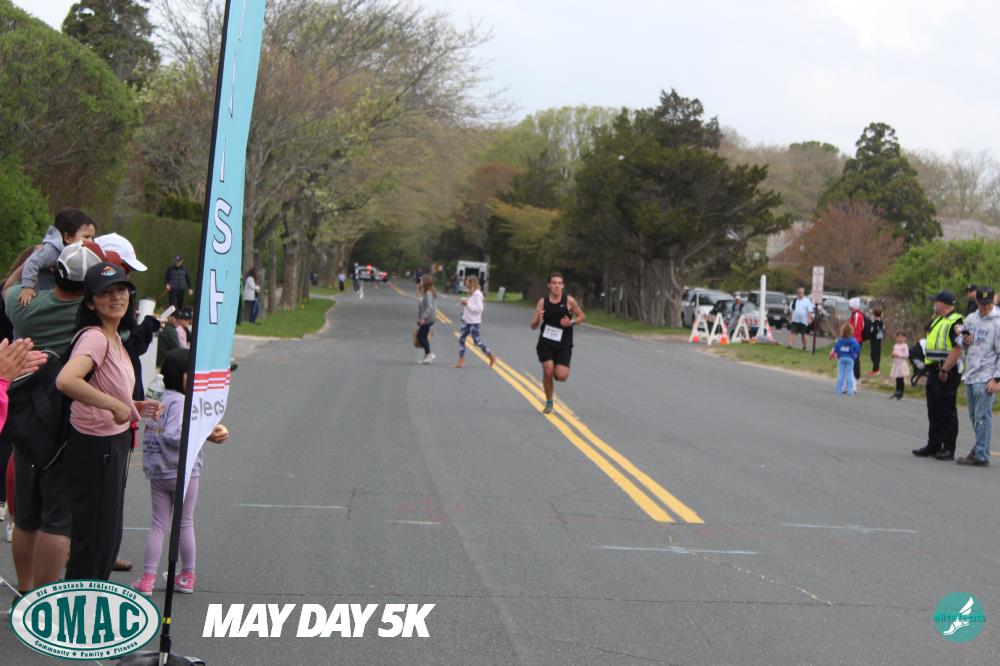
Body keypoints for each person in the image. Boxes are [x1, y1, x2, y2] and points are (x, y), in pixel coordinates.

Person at [4, 241, 105, 592]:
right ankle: (45, 598)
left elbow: (8, 287)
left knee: (26, 517)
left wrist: (33, 263)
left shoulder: (23, 306)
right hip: (67, 420)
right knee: (58, 519)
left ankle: (25, 589)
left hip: (25, 417)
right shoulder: (90, 317)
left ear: (54, 271)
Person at [56, 262, 161, 580]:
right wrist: (114, 405)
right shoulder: (95, 338)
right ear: (91, 302)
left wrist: (133, 405)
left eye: (121, 290)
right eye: (106, 293)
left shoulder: (113, 338)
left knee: (106, 537)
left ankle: (91, 601)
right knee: (94, 540)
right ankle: (80, 606)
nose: (116, 297)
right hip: (95, 446)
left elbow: (106, 387)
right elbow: (66, 380)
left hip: (112, 442)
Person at [134, 348, 229, 596]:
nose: (196, 380)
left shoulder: (158, 397)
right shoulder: (180, 401)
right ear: (179, 374)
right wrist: (204, 434)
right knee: (185, 523)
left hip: (158, 470)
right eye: (192, 374)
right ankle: (187, 575)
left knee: (158, 525)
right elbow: (174, 435)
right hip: (183, 471)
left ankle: (147, 579)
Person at [913, 291, 964, 460]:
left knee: (946, 410)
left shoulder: (956, 321)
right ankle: (933, 444)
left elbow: (958, 349)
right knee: (933, 409)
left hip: (948, 370)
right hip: (934, 370)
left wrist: (945, 370)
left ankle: (948, 448)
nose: (933, 304)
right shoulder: (938, 320)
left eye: (936, 302)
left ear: (942, 303)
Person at [954, 288, 1000, 467]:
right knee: (974, 416)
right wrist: (964, 340)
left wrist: (996, 379)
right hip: (971, 373)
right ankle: (979, 447)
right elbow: (960, 340)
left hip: (987, 374)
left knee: (983, 416)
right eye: (982, 304)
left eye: (988, 304)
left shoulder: (997, 321)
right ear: (977, 302)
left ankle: (981, 454)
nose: (985, 307)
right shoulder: (971, 319)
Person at [15, 209, 98, 307]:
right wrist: (27, 287)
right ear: (67, 238)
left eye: (92, 238)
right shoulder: (52, 251)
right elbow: (32, 263)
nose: (91, 241)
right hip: (40, 294)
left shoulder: (80, 253)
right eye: (86, 237)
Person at [531, 272, 586, 414]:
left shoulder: (569, 301)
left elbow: (582, 316)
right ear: (549, 285)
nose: (557, 286)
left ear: (563, 286)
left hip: (563, 344)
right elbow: (533, 326)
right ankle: (549, 402)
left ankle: (555, 370)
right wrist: (538, 319)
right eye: (554, 283)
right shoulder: (543, 302)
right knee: (548, 369)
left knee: (561, 376)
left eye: (559, 283)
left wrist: (571, 322)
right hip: (546, 342)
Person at [454, 276, 496, 369]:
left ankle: (491, 356)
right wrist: (463, 306)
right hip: (467, 321)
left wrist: (467, 304)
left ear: (471, 283)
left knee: (477, 342)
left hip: (474, 322)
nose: (465, 283)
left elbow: (479, 309)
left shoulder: (477, 294)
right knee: (461, 339)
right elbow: (469, 306)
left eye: (467, 282)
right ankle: (461, 360)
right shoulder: (471, 293)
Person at [829, 323, 860, 396]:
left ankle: (838, 389)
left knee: (840, 374)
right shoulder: (853, 341)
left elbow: (836, 349)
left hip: (841, 358)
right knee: (849, 374)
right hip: (850, 359)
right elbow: (857, 349)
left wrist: (834, 355)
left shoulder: (840, 340)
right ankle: (850, 390)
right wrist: (855, 355)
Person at [415, 274, 436, 364]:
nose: (420, 282)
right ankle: (427, 357)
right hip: (426, 318)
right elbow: (420, 299)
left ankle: (429, 354)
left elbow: (430, 307)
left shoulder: (428, 293)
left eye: (421, 280)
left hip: (428, 319)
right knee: (423, 336)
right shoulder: (426, 292)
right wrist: (418, 288)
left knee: (420, 336)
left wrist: (423, 318)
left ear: (425, 282)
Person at [889, 331, 911, 400]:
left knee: (901, 379)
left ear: (905, 338)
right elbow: (893, 353)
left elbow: (906, 355)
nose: (900, 339)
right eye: (898, 337)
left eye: (902, 337)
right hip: (896, 364)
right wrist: (892, 355)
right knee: (897, 379)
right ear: (896, 338)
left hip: (902, 364)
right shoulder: (895, 345)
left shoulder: (905, 346)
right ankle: (897, 391)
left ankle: (901, 393)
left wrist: (898, 355)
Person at [848, 298, 865, 381]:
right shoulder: (854, 315)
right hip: (853, 339)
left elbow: (856, 328)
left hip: (856, 340)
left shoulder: (857, 315)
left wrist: (853, 339)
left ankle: (856, 375)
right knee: (852, 357)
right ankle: (852, 374)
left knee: (855, 358)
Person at [868, 308, 885, 376]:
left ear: (874, 315)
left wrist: (869, 336)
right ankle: (876, 369)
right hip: (879, 340)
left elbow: (872, 331)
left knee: (874, 355)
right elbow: (883, 331)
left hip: (874, 340)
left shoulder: (874, 323)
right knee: (877, 354)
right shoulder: (882, 322)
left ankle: (876, 370)